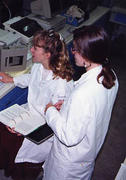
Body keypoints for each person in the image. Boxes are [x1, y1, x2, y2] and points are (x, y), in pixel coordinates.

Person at [0, 29, 74, 179]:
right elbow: (31, 78)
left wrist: (23, 129)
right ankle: (6, 165)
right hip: (31, 114)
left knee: (12, 142)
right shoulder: (39, 67)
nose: (31, 50)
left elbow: (56, 120)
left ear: (48, 54)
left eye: (35, 47)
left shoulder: (61, 84)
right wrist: (12, 79)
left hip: (45, 127)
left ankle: (27, 171)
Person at [43, 25, 119, 179]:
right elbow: (93, 111)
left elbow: (68, 137)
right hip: (87, 156)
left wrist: (50, 110)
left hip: (67, 165)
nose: (73, 52)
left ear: (86, 55)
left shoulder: (83, 94)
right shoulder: (111, 77)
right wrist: (67, 107)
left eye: (76, 49)